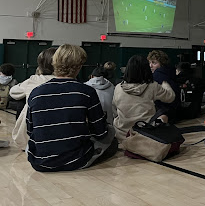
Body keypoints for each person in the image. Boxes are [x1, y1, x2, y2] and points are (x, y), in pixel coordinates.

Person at [26, 44, 117, 172]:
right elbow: (100, 133)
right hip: (76, 160)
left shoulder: (35, 93)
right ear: (79, 66)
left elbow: (30, 131)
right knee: (112, 137)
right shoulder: (86, 92)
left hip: (40, 162)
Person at [112, 55, 175, 142]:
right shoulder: (152, 86)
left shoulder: (118, 87)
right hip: (146, 133)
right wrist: (165, 84)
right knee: (164, 116)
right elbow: (170, 97)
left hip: (122, 134)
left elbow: (114, 110)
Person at [9, 48, 57, 149]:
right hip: (59, 139)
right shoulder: (74, 84)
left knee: (23, 103)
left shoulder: (34, 80)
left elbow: (13, 93)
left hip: (30, 139)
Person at [147, 50, 180, 123]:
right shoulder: (171, 72)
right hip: (174, 111)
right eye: (150, 63)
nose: (150, 66)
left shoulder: (157, 75)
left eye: (154, 63)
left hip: (163, 111)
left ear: (162, 64)